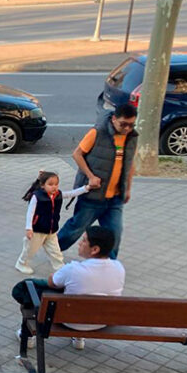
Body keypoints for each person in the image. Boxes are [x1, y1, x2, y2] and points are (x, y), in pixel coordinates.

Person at [13, 226, 125, 350]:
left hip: (71, 321)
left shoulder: (73, 269)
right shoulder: (119, 268)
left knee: (31, 288)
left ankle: (27, 336)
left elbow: (51, 282)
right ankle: (79, 338)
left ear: (95, 249)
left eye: (84, 241)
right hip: (101, 321)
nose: (79, 243)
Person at [56, 104, 137, 259]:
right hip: (93, 196)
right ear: (114, 119)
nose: (127, 128)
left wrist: (127, 188)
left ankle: (109, 265)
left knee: (115, 233)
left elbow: (130, 164)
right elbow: (77, 154)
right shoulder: (98, 132)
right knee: (77, 228)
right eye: (123, 124)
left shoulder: (132, 138)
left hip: (115, 198)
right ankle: (54, 249)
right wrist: (91, 176)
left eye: (131, 125)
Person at [15, 170, 92, 274]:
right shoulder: (37, 197)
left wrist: (86, 188)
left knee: (55, 250)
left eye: (56, 184)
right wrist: (29, 228)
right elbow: (30, 213)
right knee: (30, 249)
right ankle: (21, 263)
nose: (54, 187)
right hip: (37, 230)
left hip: (52, 230)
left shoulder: (58, 195)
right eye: (50, 184)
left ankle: (59, 266)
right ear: (42, 185)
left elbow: (71, 193)